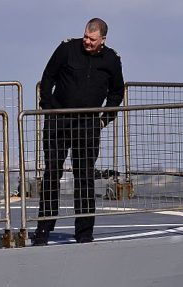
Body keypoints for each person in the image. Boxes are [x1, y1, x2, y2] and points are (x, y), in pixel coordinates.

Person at [33, 18, 124, 245]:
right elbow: (47, 78)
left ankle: (84, 232)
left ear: (102, 39)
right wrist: (50, 108)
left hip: (88, 125)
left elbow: (116, 92)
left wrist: (105, 120)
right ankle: (44, 229)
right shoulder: (67, 49)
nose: (87, 41)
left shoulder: (112, 60)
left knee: (84, 177)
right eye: (85, 36)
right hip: (59, 122)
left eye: (92, 39)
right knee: (52, 174)